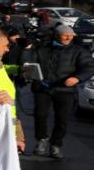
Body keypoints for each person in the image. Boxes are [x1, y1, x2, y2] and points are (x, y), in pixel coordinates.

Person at [25, 25, 94, 158]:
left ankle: (56, 144)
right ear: (57, 35)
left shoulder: (78, 51)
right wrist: (26, 51)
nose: (69, 37)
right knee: (40, 115)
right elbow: (29, 63)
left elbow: (89, 67)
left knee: (62, 119)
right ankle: (41, 140)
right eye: (65, 35)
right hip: (43, 88)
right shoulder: (43, 49)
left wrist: (77, 78)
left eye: (71, 35)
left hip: (65, 90)